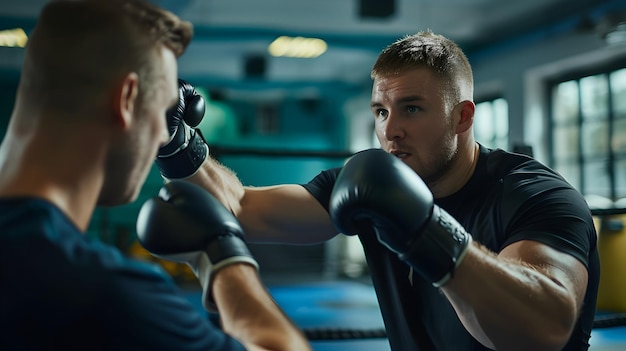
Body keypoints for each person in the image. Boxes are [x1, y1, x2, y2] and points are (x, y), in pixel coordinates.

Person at [160, 30, 600, 351]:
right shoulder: (369, 183)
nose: (391, 130)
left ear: (462, 117)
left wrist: (424, 230)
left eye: (411, 108)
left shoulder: (536, 196)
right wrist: (176, 144)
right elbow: (242, 208)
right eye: (381, 110)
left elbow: (545, 328)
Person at [0, 1, 311, 350]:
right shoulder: (99, 292)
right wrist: (225, 257)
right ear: (127, 98)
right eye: (162, 111)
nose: (163, 136)